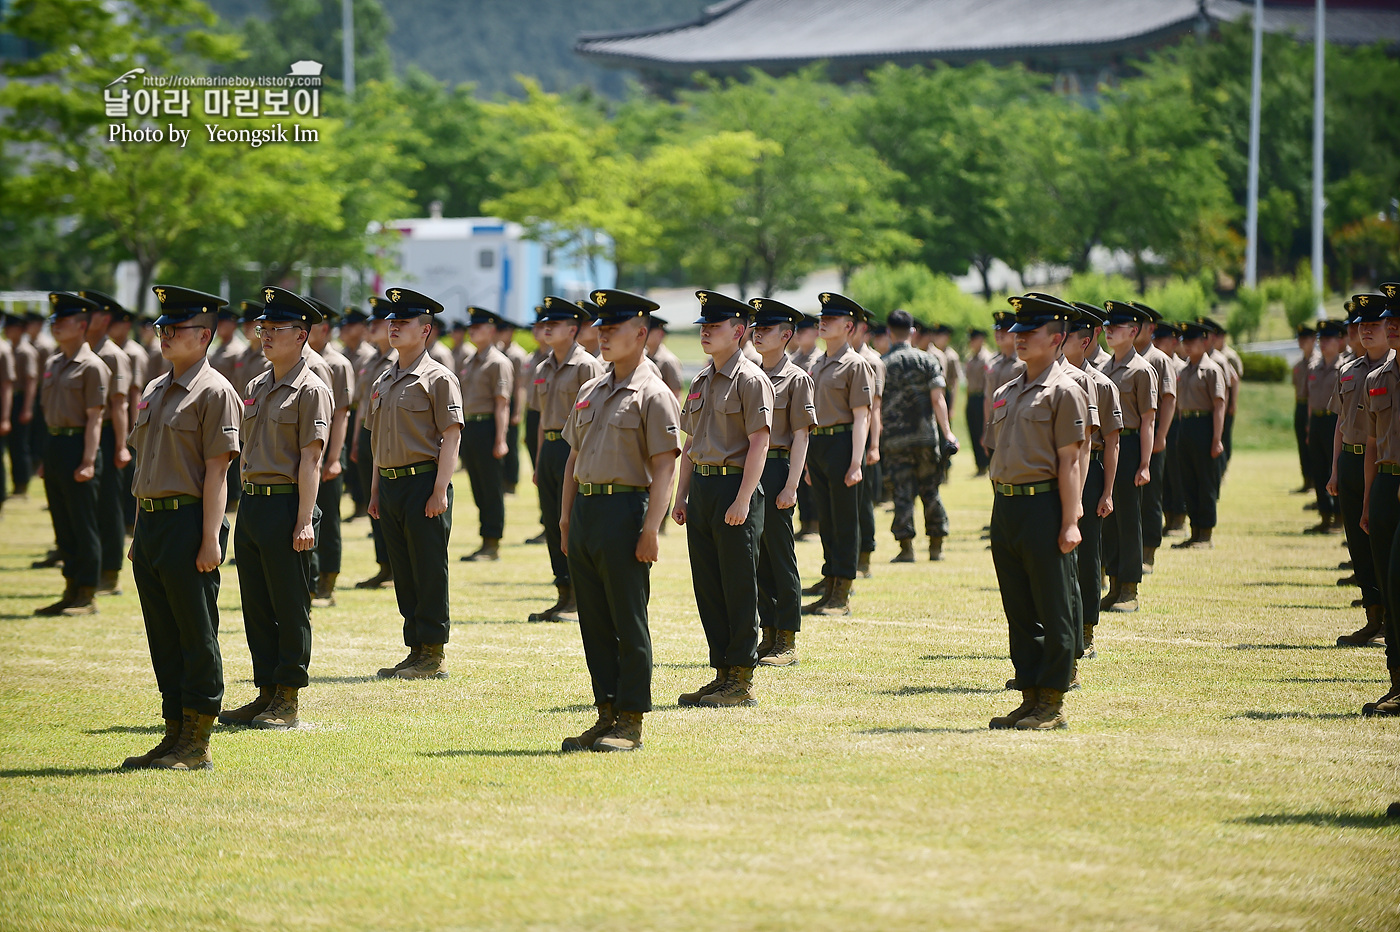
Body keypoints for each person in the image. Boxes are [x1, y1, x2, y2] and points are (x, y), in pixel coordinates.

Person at [121, 284, 241, 771]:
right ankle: (172, 733)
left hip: (190, 522)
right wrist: (135, 532)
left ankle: (197, 741)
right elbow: (144, 466)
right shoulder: (154, 388)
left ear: (206, 335)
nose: (166, 335)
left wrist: (211, 537)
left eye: (177, 328)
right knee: (162, 634)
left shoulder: (216, 392)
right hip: (150, 524)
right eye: (163, 328)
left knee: (195, 632)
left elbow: (218, 473)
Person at [558, 288, 681, 752]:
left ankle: (630, 720)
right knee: (593, 622)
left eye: (614, 329)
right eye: (601, 328)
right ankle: (604, 712)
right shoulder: (591, 389)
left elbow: (666, 466)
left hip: (625, 512)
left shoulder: (654, 393)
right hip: (588, 512)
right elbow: (573, 457)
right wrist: (566, 521)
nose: (603, 335)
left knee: (628, 621)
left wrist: (652, 528)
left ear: (641, 333)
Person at [217, 288, 330, 730]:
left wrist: (305, 519)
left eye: (275, 328)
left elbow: (311, 459)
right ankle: (265, 691)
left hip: (287, 507)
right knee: (256, 605)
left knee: (290, 605)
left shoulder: (311, 389)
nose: (264, 335)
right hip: (252, 505)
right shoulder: (256, 385)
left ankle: (288, 698)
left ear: (301, 335)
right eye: (262, 328)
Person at [986, 295, 1088, 731]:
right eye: (1018, 332)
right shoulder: (1008, 388)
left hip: (1044, 505)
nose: (1021, 339)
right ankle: (1029, 695)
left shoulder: (1066, 390)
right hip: (1006, 506)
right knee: (1019, 608)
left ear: (1057, 338)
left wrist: (1070, 521)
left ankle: (1052, 701)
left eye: (1032, 332)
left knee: (1054, 605)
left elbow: (1072, 460)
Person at [673, 291, 773, 708]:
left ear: (739, 331)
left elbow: (760, 443)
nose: (706, 332)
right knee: (708, 587)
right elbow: (691, 442)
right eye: (703, 326)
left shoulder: (751, 379)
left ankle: (742, 679)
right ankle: (721, 673)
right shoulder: (699, 380)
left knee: (737, 587)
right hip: (704, 492)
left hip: (736, 488)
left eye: (714, 326)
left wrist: (743, 499)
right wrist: (681, 496)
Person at [367, 287, 464, 681]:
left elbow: (452, 435)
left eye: (403, 322)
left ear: (425, 330)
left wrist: (440, 489)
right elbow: (377, 441)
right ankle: (415, 648)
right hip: (390, 484)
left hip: (423, 482)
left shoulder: (438, 377)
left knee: (428, 569)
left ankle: (434, 653)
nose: (393, 327)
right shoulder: (384, 378)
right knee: (403, 570)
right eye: (391, 321)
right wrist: (375, 490)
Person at [528, 296, 604, 623]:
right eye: (545, 323)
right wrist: (538, 463)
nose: (546, 328)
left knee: (572, 521)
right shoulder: (544, 366)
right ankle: (562, 592)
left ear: (573, 329)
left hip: (575, 449)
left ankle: (579, 596)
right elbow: (543, 418)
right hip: (549, 449)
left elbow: (595, 420)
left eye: (554, 324)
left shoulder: (587, 365)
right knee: (550, 522)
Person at [748, 297, 814, 666]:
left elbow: (802, 435)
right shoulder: (749, 375)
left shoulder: (797, 378)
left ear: (787, 334)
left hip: (777, 469)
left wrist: (791, 485)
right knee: (756, 557)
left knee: (780, 555)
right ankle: (768, 632)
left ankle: (786, 638)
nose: (758, 334)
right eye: (756, 328)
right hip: (750, 470)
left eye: (767, 329)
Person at [34, 292, 108, 617]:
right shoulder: (52, 362)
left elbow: (95, 418)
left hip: (79, 446)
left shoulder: (93, 366)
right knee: (62, 524)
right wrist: (44, 457)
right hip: (55, 446)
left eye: (62, 321)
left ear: (81, 325)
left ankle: (87, 593)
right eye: (54, 321)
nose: (55, 326)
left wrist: (89, 460)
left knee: (83, 524)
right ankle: (70, 588)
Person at [801, 292, 874, 618]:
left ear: (848, 327)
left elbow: (862, 416)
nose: (823, 322)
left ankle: (842, 591)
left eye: (831, 319)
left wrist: (856, 462)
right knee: (826, 519)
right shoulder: (818, 362)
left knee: (845, 521)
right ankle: (829, 583)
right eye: (822, 318)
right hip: (819, 445)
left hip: (843, 443)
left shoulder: (856, 364)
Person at [1328, 296, 1391, 646]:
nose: (1365, 331)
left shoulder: (1392, 370)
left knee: (1379, 542)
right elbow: (1341, 422)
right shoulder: (1348, 370)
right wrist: (1336, 470)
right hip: (1351, 462)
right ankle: (1373, 616)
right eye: (1360, 325)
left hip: (1381, 464)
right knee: (1358, 545)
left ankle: (1388, 622)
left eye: (1374, 324)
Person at [881, 309, 956, 562]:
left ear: (890, 333)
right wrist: (947, 433)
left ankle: (906, 549)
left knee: (902, 493)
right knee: (930, 490)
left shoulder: (881, 364)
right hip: (926, 438)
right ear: (913, 332)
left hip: (894, 441)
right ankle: (936, 546)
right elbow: (939, 400)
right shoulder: (928, 361)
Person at [1098, 301, 1157, 614]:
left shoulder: (1142, 370)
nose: (1109, 331)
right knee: (1109, 518)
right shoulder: (1105, 368)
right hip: (1109, 447)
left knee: (1130, 520)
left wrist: (1145, 463)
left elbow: (1148, 420)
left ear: (1133, 331)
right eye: (1106, 326)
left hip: (1131, 445)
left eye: (1116, 326)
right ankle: (1115, 581)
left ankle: (1130, 589)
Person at [76, 291, 133, 596]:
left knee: (109, 503)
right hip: (88, 430)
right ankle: (91, 565)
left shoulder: (112, 354)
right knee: (91, 503)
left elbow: (120, 404)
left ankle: (110, 572)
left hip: (109, 432)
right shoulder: (85, 350)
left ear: (105, 319)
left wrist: (122, 445)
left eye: (92, 313)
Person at [1360, 285, 1400, 717]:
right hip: (1387, 486)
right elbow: (1372, 445)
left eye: (1397, 318)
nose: (1391, 324)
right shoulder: (1376, 380)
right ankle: (1396, 681)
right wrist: (1370, 501)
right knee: (1390, 587)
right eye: (1390, 317)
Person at [301, 299, 355, 607]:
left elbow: (341, 415)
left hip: (329, 448)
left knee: (329, 516)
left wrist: (334, 458)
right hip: (309, 449)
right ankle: (311, 578)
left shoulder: (334, 364)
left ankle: (327, 584)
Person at [457, 307, 513, 562]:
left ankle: (492, 543)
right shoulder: (470, 361)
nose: (472, 331)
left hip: (488, 426)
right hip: (470, 427)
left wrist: (501, 439)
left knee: (491, 487)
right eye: (472, 327)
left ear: (491, 331)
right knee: (478, 486)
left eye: (478, 327)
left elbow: (502, 403)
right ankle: (485, 539)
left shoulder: (498, 362)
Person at [1169, 322, 1228, 550]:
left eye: (1192, 341)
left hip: (1204, 424)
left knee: (1205, 481)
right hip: (1185, 426)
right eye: (1185, 341)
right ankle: (1194, 531)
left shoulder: (1212, 370)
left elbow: (1219, 405)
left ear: (1204, 343)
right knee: (1189, 480)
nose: (1187, 345)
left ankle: (1206, 533)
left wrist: (1216, 438)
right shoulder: (1183, 371)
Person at [351, 298, 397, 588]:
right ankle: (383, 564)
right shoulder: (370, 362)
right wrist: (356, 439)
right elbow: (361, 407)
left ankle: (395, 566)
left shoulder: (398, 360)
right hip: (369, 433)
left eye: (377, 323)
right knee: (375, 505)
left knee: (391, 505)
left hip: (391, 438)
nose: (372, 328)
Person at [1129, 303, 1177, 574]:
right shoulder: (1125, 357)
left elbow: (1168, 400)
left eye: (1141, 326)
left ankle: (1149, 551)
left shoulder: (1158, 359)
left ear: (1150, 329)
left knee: (1150, 496)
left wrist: (1161, 436)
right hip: (1130, 436)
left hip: (1151, 433)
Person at [1304, 319, 1347, 534]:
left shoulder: (1345, 367)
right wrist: (1310, 428)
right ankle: (1324, 515)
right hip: (1318, 422)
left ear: (1340, 340)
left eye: (1328, 339)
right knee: (1319, 469)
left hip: (1334, 421)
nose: (1323, 343)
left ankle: (1339, 517)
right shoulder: (1314, 367)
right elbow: (1311, 401)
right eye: (1321, 339)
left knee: (1335, 467)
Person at [853, 314, 885, 577]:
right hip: (841, 440)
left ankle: (865, 556)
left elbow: (875, 408)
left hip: (862, 441)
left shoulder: (872, 361)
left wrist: (874, 445)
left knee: (863, 502)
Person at [5, 313, 38, 498]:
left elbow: (31, 381)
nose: (7, 331)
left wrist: (27, 407)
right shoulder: (9, 348)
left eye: (12, 327)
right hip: (9, 399)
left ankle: (22, 483)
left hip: (21, 399)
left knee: (20, 444)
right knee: (11, 444)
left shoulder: (26, 351)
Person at [497, 319, 528, 495]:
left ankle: (512, 482)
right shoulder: (500, 351)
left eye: (506, 330)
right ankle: (502, 480)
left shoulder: (517, 354)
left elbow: (519, 385)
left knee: (512, 444)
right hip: (501, 400)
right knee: (501, 441)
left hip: (513, 400)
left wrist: (518, 412)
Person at [1292, 324, 1318, 494]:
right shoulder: (1298, 365)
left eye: (1305, 338)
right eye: (1300, 338)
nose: (1302, 342)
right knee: (1302, 444)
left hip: (1313, 406)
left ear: (1313, 340)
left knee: (1314, 446)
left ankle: (1316, 482)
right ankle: (1306, 479)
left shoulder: (1318, 363)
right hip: (1300, 406)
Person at [964, 327, 993, 476]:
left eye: (973, 340)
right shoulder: (970, 358)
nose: (971, 343)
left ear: (981, 339)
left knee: (983, 430)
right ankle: (979, 464)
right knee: (973, 431)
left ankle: (986, 463)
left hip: (983, 397)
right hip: (972, 397)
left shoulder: (987, 358)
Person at [646, 315, 686, 402]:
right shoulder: (644, 357)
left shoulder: (668, 361)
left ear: (660, 334)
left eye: (649, 331)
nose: (644, 334)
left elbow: (676, 395)